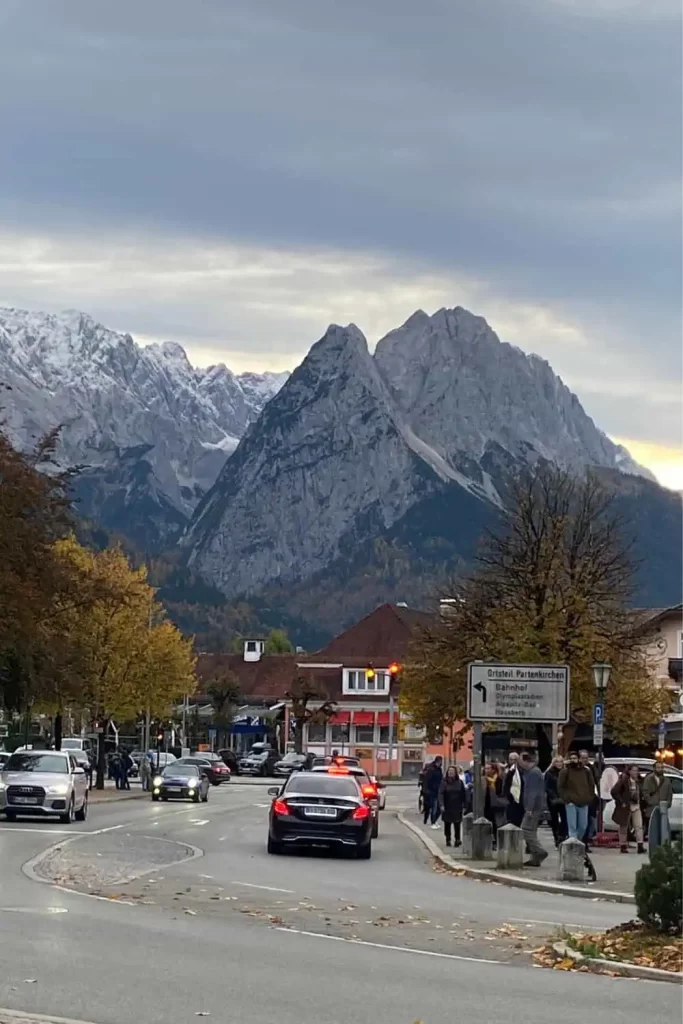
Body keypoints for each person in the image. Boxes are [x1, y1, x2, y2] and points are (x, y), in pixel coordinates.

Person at [557, 751, 596, 841]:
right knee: (572, 827)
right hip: (571, 802)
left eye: (574, 758)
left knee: (583, 826)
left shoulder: (586, 770)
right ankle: (573, 845)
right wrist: (567, 799)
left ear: (579, 759)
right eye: (571, 758)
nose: (573, 760)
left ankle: (577, 842)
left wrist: (589, 797)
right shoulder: (565, 771)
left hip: (584, 801)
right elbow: (560, 787)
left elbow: (591, 785)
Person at [611, 765, 646, 854]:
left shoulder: (640, 781)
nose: (635, 772)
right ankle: (623, 845)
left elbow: (643, 792)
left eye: (637, 771)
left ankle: (640, 846)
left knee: (638, 826)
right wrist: (621, 801)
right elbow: (614, 791)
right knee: (624, 826)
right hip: (626, 806)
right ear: (629, 771)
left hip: (637, 806)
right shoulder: (624, 781)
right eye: (633, 771)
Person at [641, 761, 674, 836]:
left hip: (663, 809)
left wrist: (668, 804)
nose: (660, 769)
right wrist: (650, 801)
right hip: (651, 809)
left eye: (662, 767)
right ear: (654, 768)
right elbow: (645, 792)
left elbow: (670, 793)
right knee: (652, 831)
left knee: (662, 830)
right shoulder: (648, 779)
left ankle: (661, 847)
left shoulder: (667, 780)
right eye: (658, 767)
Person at [438, 765, 466, 847]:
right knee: (447, 824)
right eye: (449, 771)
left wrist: (464, 804)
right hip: (447, 805)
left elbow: (463, 794)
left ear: (455, 773)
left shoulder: (459, 782)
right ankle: (448, 839)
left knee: (457, 823)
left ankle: (457, 839)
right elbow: (441, 793)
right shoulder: (444, 782)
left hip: (457, 805)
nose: (451, 773)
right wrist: (441, 804)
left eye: (452, 771)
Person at [544, 755, 567, 847]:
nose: (559, 763)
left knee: (565, 819)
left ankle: (562, 836)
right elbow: (547, 787)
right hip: (552, 799)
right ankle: (556, 837)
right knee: (554, 820)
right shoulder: (549, 773)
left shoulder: (565, 772)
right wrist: (554, 797)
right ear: (554, 763)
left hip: (563, 799)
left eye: (561, 761)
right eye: (557, 761)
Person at [483, 762, 506, 846]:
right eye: (485, 768)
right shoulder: (483, 779)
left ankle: (497, 841)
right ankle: (490, 841)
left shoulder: (499, 779)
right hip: (486, 805)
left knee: (497, 824)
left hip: (497, 805)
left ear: (493, 770)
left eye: (488, 768)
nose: (486, 770)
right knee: (488, 824)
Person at [502, 752, 524, 827]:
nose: (513, 761)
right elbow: (505, 783)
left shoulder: (522, 770)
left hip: (520, 798)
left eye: (515, 759)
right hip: (510, 798)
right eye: (511, 759)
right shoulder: (506, 770)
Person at [422, 756, 443, 828]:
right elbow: (427, 780)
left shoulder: (439, 769)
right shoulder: (431, 769)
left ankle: (433, 820)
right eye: (440, 761)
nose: (440, 763)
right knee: (433, 807)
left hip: (438, 791)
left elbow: (441, 779)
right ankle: (432, 822)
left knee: (438, 808)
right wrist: (426, 790)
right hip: (431, 791)